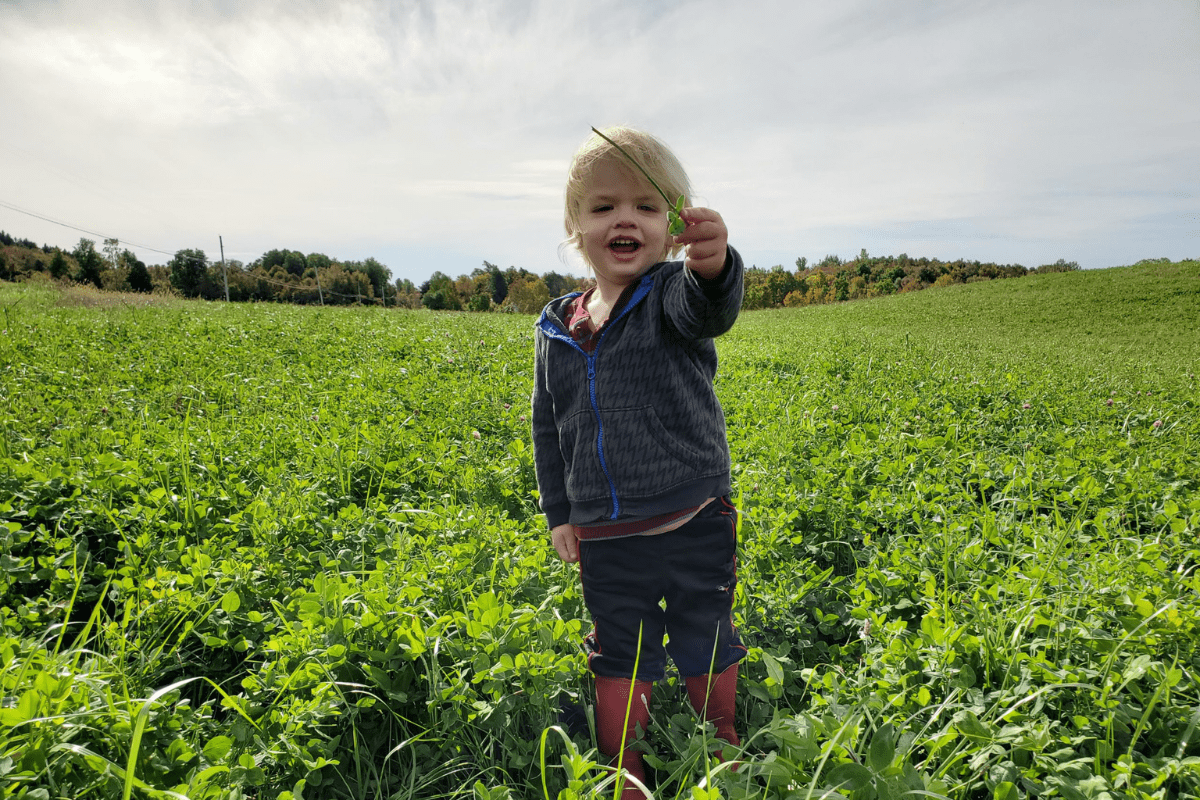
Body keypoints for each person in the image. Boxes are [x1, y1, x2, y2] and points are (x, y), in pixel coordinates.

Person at [531, 126, 746, 796]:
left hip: (692, 515)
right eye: (603, 207)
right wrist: (559, 513)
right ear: (575, 225)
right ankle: (625, 767)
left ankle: (720, 739)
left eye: (647, 207)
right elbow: (549, 425)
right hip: (604, 532)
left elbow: (707, 307)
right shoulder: (558, 325)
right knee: (619, 651)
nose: (625, 218)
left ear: (671, 226)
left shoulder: (669, 297)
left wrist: (712, 265)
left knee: (704, 633)